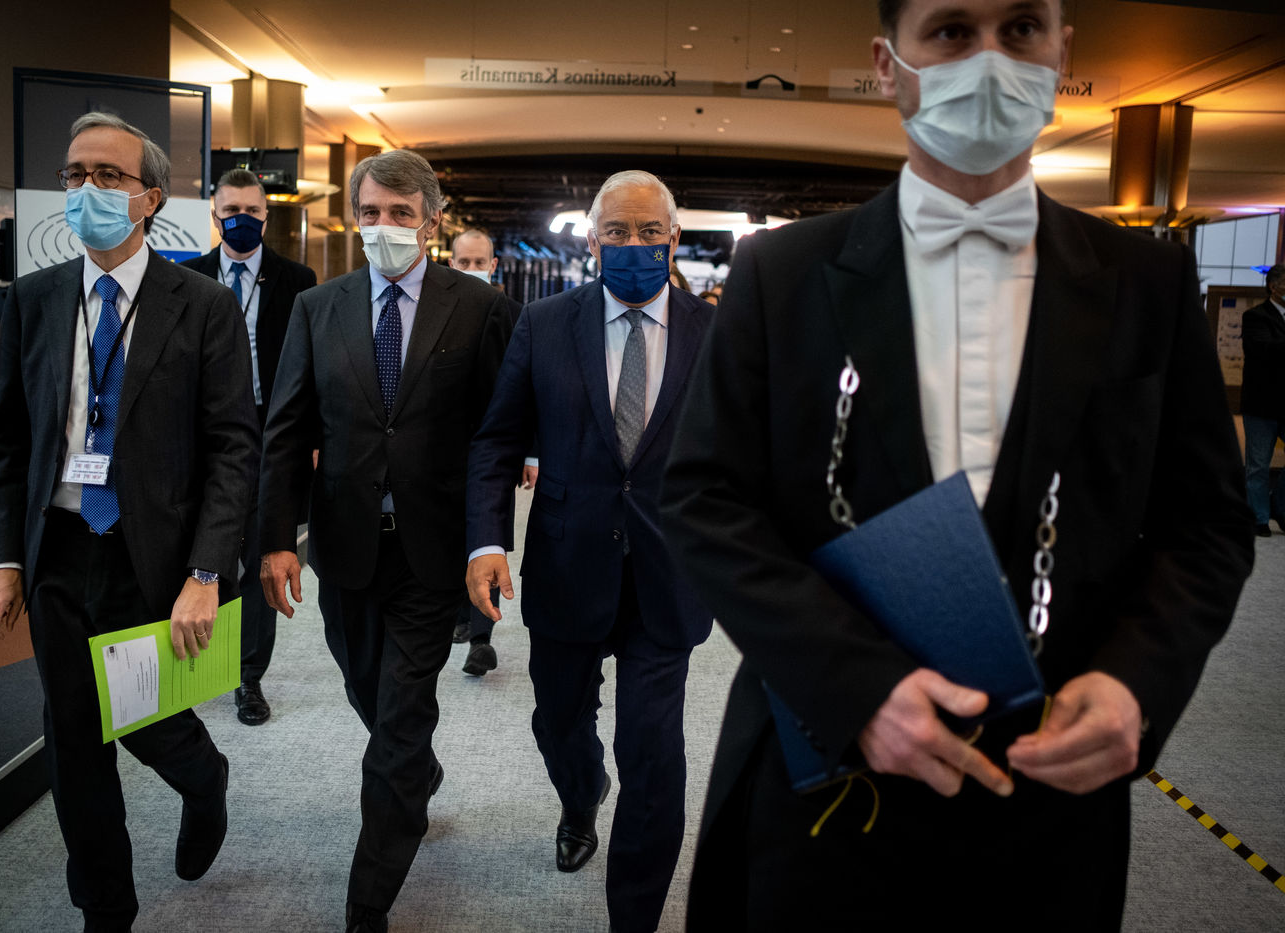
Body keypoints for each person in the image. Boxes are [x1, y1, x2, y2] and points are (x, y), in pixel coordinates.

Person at [660, 1, 1255, 928]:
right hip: (829, 775)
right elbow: (704, 496)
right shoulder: (783, 272)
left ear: (1062, 50)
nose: (988, 58)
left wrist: (1138, 681)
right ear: (887, 63)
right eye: (950, 31)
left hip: (1052, 790)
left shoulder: (1146, 281)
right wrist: (856, 688)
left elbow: (1206, 522)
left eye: (1020, 28)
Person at [0, 111, 258, 930]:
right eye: (74, 174)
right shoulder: (33, 300)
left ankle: (205, 780)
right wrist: (2, 558)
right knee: (73, 735)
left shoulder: (202, 305)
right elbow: (5, 440)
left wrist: (206, 572)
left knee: (150, 721)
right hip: (59, 549)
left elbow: (233, 448)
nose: (86, 189)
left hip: (153, 552)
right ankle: (106, 906)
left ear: (150, 198)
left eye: (108, 175)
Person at [258, 149, 512, 933]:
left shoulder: (478, 307)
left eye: (401, 214)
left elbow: (494, 438)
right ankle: (416, 771)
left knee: (401, 716)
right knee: (366, 689)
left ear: (431, 222)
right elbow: (288, 427)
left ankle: (368, 898)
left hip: (432, 550)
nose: (383, 226)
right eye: (370, 212)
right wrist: (277, 537)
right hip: (346, 543)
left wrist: (489, 541)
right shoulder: (318, 307)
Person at [466, 170, 714, 933]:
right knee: (559, 722)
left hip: (669, 575)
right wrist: (487, 540)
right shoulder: (545, 324)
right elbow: (497, 439)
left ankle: (633, 917)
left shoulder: (716, 331)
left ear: (673, 238)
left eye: (649, 232)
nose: (634, 244)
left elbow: (745, 453)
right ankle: (581, 797)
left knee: (653, 751)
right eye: (618, 232)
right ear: (594, 240)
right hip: (568, 563)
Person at [182, 168, 317, 723]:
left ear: (267, 215)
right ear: (215, 216)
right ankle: (194, 667)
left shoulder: (298, 280)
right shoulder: (187, 279)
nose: (242, 219)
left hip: (271, 435)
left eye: (252, 211)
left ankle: (248, 677)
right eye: (232, 210)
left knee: (263, 555)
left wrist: (311, 437)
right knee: (203, 555)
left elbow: (310, 368)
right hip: (205, 436)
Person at [447, 228, 529, 675]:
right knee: (448, 534)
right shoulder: (436, 312)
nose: (472, 269)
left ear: (493, 265)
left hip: (496, 448)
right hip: (442, 447)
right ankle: (461, 614)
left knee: (488, 534)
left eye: (480, 263)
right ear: (451, 263)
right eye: (464, 263)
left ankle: (482, 638)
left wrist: (531, 452)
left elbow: (532, 388)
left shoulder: (516, 315)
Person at [1239, 263, 1285, 537]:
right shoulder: (1255, 317)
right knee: (1258, 465)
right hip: (1261, 403)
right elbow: (1262, 350)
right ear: (1273, 286)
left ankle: (1280, 507)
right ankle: (1258, 517)